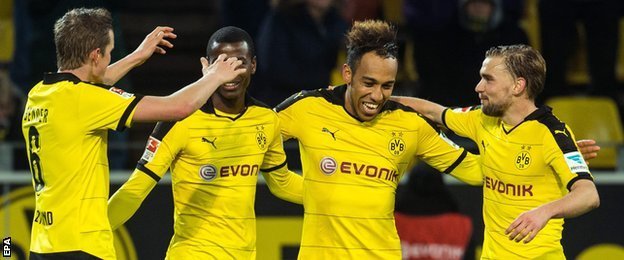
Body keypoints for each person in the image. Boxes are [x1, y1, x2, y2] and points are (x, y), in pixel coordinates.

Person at [21, 8, 246, 260]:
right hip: (81, 247)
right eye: (109, 52)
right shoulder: (85, 101)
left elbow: (93, 82)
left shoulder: (39, 94)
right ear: (96, 55)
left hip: (43, 245)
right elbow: (177, 107)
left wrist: (137, 56)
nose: (110, 58)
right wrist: (214, 76)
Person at [274, 19, 484, 259]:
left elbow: (475, 171)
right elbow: (251, 136)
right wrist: (296, 185)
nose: (377, 95)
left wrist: (441, 114)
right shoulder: (307, 109)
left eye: (387, 86)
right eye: (369, 83)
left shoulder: (409, 124)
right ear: (347, 74)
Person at [107, 26, 304, 259]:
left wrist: (341, 191)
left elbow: (282, 183)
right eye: (221, 62)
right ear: (206, 66)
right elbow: (135, 190)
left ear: (253, 65)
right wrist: (89, 234)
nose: (230, 71)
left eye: (239, 62)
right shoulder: (179, 120)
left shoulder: (265, 119)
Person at [393, 44, 600, 258]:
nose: (478, 87)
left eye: (488, 79)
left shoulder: (553, 134)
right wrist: (383, 100)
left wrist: (544, 212)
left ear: (518, 86)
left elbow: (588, 195)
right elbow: (434, 112)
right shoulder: (483, 120)